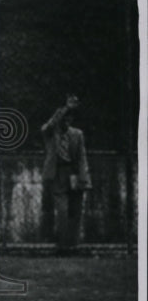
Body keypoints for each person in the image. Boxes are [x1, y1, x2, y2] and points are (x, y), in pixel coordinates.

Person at [41, 95, 91, 253]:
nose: (66, 122)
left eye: (69, 119)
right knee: (62, 210)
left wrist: (84, 177)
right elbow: (49, 125)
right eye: (64, 118)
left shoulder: (77, 134)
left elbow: (82, 157)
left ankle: (73, 245)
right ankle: (62, 246)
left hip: (73, 174)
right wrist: (66, 108)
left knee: (76, 210)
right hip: (57, 173)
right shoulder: (49, 133)